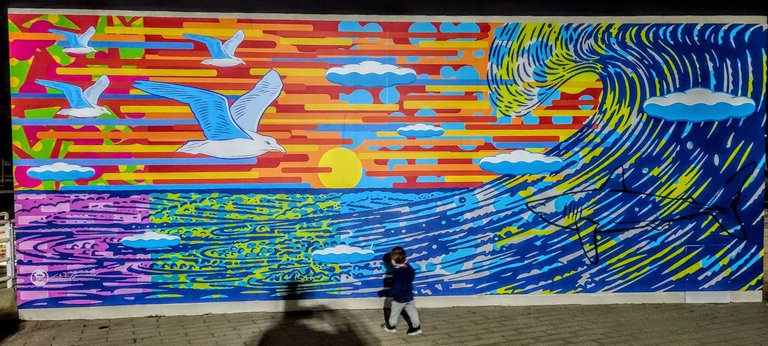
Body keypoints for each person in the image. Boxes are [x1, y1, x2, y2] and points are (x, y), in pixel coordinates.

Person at [382, 246, 422, 335]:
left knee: (394, 313)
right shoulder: (408, 267)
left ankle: (391, 327)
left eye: (391, 259)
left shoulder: (397, 272)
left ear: (394, 262)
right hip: (409, 296)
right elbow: (411, 276)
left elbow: (397, 286)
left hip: (399, 299)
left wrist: (389, 292)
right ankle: (416, 327)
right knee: (412, 311)